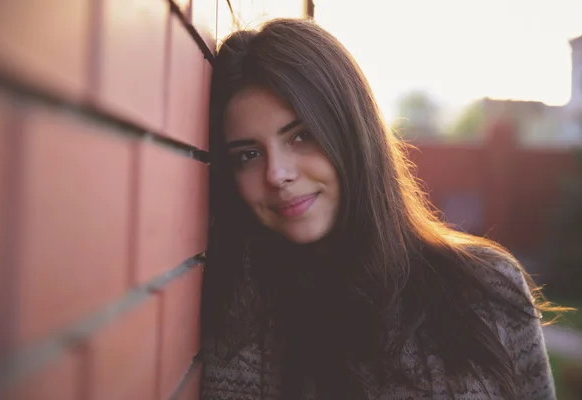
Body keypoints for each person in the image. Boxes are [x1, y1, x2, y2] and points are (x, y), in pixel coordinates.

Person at [200, 18, 560, 400]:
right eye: (249, 154)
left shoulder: (488, 288)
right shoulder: (240, 319)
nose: (277, 174)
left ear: (352, 132)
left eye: (302, 135)